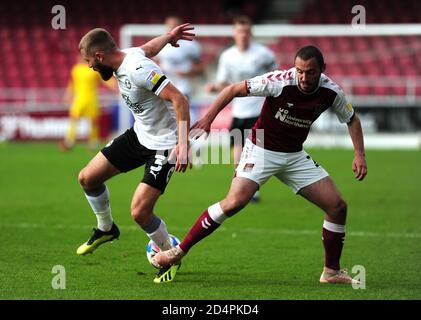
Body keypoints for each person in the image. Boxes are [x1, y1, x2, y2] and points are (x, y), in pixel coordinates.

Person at [153, 45, 368, 285]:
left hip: (294, 156)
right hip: (261, 149)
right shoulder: (279, 82)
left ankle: (331, 271)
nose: (304, 78)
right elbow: (233, 89)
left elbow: (352, 119)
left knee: (337, 206)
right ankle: (178, 251)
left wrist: (359, 154)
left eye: (310, 72)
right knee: (234, 202)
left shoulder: (332, 92)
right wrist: (208, 119)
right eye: (300, 71)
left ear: (322, 70)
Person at [76, 23, 194, 284]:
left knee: (140, 212)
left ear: (99, 56)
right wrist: (169, 36)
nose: (90, 68)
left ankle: (169, 254)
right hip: (139, 136)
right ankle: (106, 228)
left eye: (89, 62)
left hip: (164, 144)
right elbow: (148, 48)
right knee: (87, 178)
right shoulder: (126, 57)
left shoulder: (139, 69)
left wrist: (183, 145)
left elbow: (180, 99)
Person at [206, 15, 277, 202]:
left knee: (256, 148)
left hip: (259, 108)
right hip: (239, 110)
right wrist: (215, 87)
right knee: (237, 147)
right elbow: (224, 83)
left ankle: (254, 188)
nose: (242, 35)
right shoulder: (227, 56)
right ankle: (240, 183)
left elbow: (275, 77)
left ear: (250, 33)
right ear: (234, 34)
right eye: (239, 31)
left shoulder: (264, 54)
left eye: (245, 31)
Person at [61, 55, 117, 151]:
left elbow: (105, 80)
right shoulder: (76, 69)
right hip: (79, 99)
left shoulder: (93, 70)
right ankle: (70, 141)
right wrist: (68, 95)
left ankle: (93, 142)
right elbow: (72, 84)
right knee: (74, 118)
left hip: (92, 99)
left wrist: (114, 86)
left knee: (93, 121)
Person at [156, 16, 204, 101]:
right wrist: (160, 70)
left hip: (184, 88)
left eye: (174, 26)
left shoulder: (191, 45)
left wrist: (187, 73)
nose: (171, 28)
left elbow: (200, 68)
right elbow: (156, 64)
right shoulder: (160, 44)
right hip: (164, 87)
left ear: (179, 27)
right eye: (169, 26)